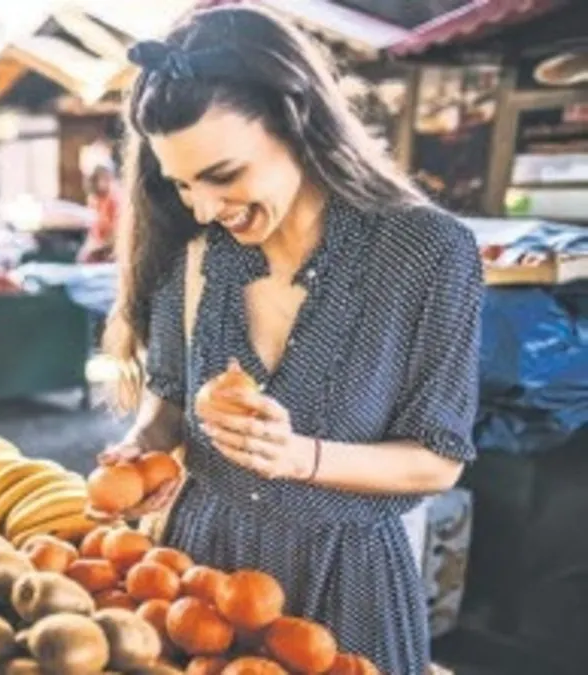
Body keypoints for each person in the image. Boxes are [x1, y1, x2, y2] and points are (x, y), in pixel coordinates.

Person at [99, 7, 482, 674]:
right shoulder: (189, 251)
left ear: (300, 124)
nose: (204, 208)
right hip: (201, 576)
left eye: (224, 174)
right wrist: (142, 447)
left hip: (348, 580)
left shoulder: (427, 251)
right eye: (181, 182)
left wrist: (300, 455)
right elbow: (166, 402)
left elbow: (438, 458)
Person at [77, 165, 120, 263]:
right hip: (99, 244)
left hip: (112, 246)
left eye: (105, 179)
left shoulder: (114, 199)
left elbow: (117, 230)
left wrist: (102, 246)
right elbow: (93, 230)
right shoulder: (93, 200)